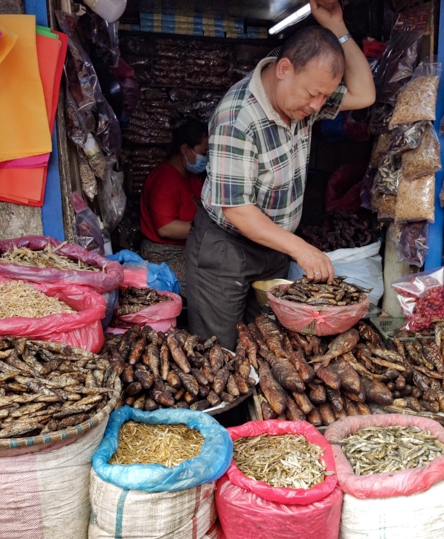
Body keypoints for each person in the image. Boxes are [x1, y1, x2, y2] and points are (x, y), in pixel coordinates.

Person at [184, 0, 376, 349]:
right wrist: (301, 249)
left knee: (268, 346)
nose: (319, 106)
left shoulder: (303, 103)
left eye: (326, 96)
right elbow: (237, 209)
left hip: (272, 247)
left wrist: (337, 26)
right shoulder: (238, 117)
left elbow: (365, 93)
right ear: (284, 68)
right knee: (220, 353)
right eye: (314, 94)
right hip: (226, 248)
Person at [139, 118, 209, 291]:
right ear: (185, 149)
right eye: (204, 152)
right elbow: (166, 228)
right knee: (209, 285)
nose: (206, 158)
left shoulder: (191, 178)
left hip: (189, 248)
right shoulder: (164, 179)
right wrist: (206, 230)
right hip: (163, 254)